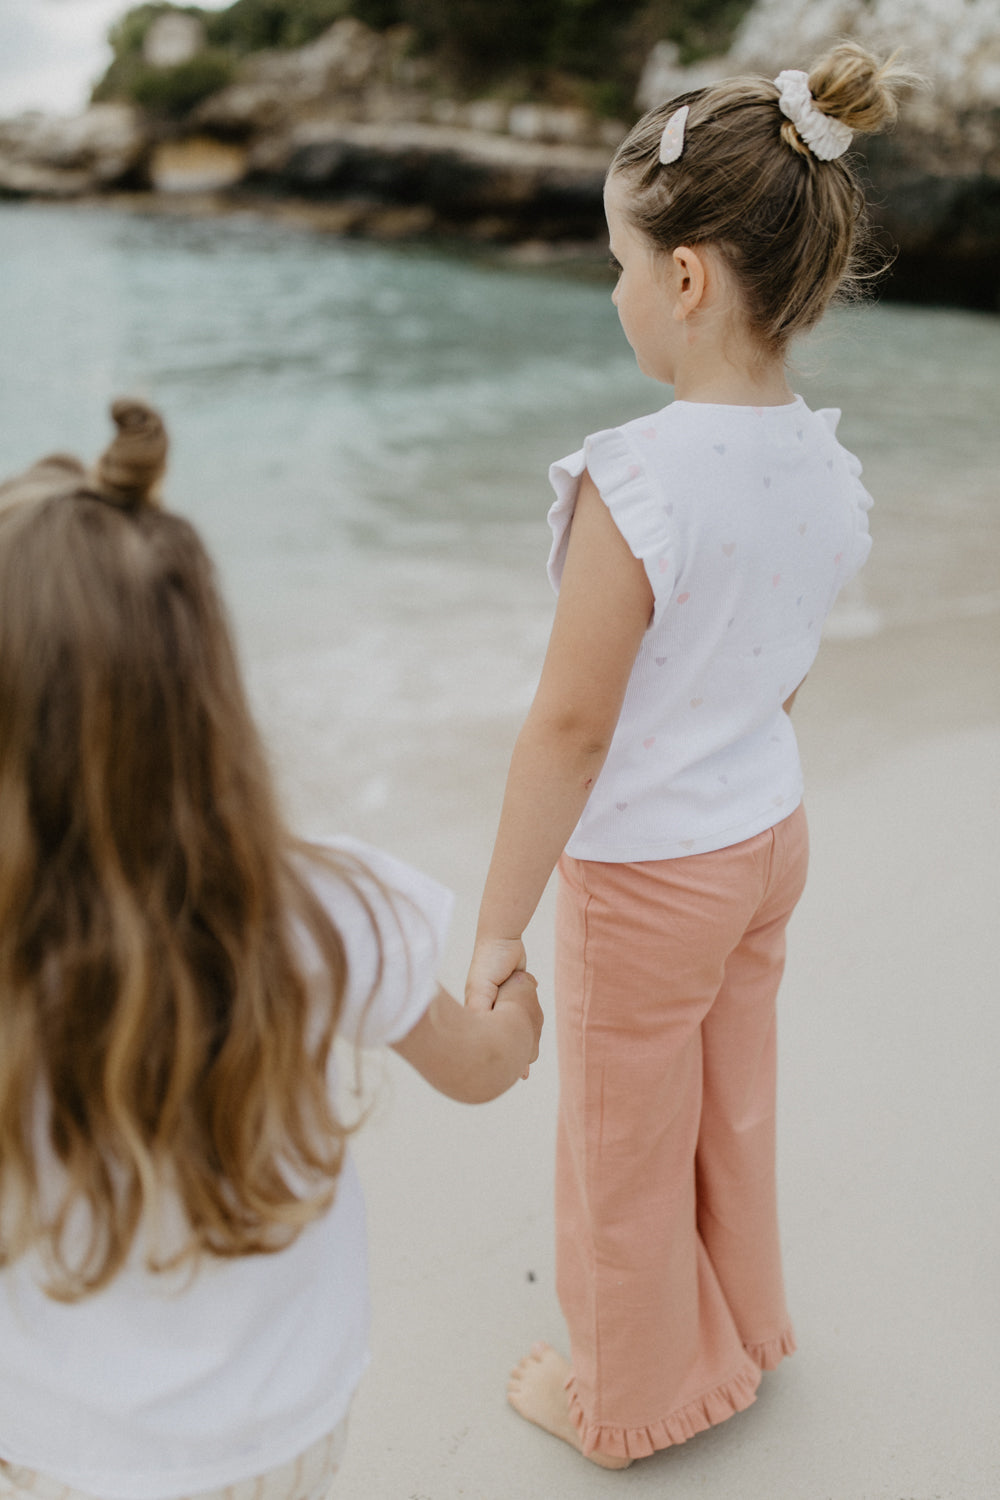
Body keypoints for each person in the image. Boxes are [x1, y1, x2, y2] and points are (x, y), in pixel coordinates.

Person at [465, 42, 914, 1470]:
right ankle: (745, 1324)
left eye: (616, 262)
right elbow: (776, 668)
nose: (612, 292)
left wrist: (495, 924)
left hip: (650, 873)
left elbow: (572, 725)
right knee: (735, 1093)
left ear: (688, 279)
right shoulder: (827, 470)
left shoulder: (639, 476)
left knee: (619, 1145)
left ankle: (624, 1397)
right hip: (767, 845)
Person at [0, 400, 542, 1500]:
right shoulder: (323, 907)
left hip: (63, 1445)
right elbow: (480, 1071)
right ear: (204, 693)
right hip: (277, 1430)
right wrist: (516, 1017)